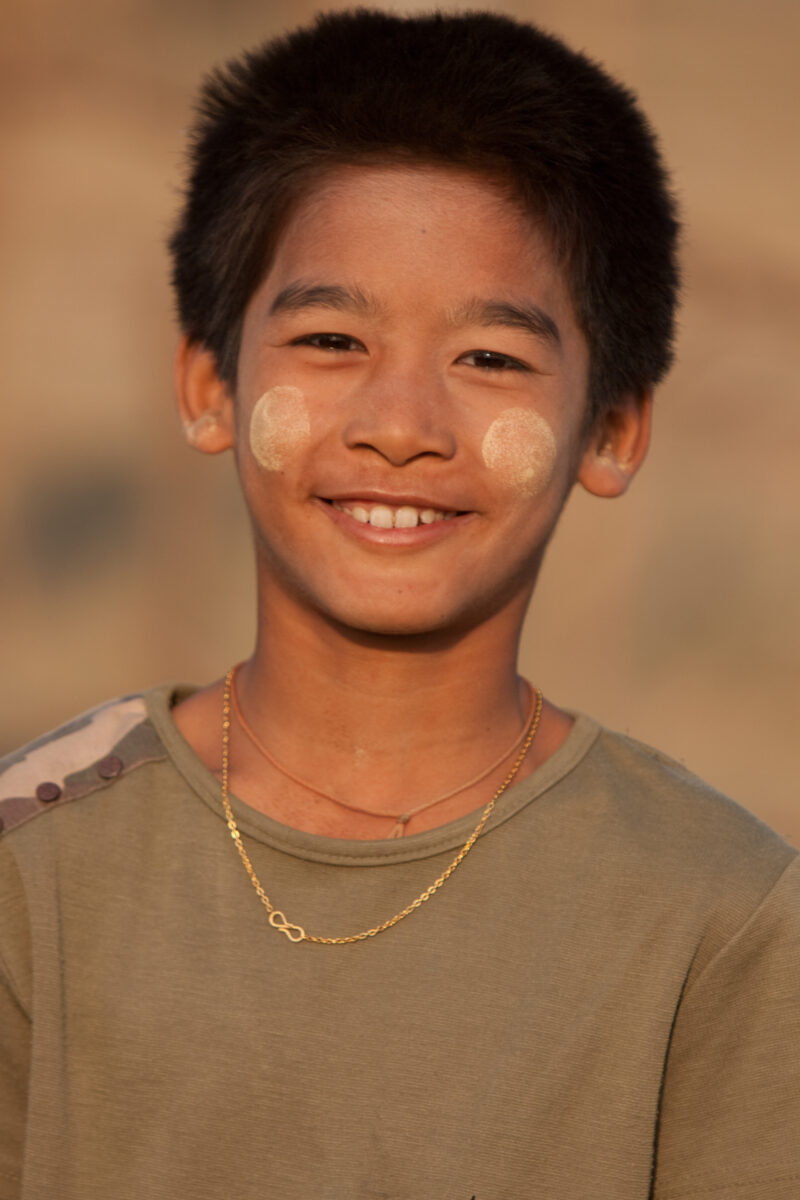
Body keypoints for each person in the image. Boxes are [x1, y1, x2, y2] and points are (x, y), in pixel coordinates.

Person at [1, 10, 798, 1198]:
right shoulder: (36, 863)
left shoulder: (721, 916)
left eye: (489, 359)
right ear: (208, 383)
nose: (400, 427)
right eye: (331, 338)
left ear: (615, 427)